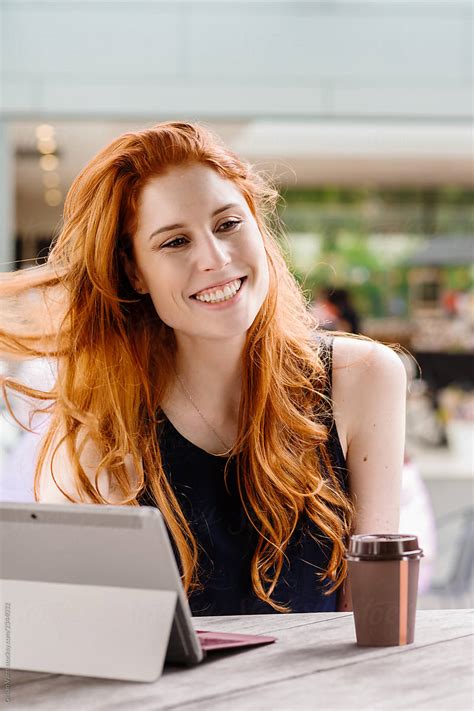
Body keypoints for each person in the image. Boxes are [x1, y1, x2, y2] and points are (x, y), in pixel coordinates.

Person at [0, 122, 406, 615]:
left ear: (257, 224)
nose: (214, 259)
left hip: (319, 693)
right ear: (134, 273)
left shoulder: (364, 377)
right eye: (174, 242)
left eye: (228, 224)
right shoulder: (104, 426)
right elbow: (78, 631)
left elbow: (374, 621)